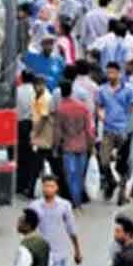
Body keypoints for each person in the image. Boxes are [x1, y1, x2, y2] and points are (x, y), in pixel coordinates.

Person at [97, 62, 133, 201]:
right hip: (108, 129)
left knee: (123, 163)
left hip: (123, 130)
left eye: (113, 72)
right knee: (103, 160)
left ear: (119, 73)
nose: (110, 75)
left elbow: (132, 107)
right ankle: (111, 181)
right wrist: (101, 115)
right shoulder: (102, 90)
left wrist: (130, 125)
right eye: (108, 73)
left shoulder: (128, 89)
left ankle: (123, 189)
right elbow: (100, 106)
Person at [54, 81, 96, 209]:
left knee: (70, 175)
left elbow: (58, 131)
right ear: (71, 91)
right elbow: (89, 130)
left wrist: (55, 147)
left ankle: (75, 201)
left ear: (61, 92)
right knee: (79, 174)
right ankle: (77, 201)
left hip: (68, 146)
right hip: (82, 145)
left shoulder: (61, 109)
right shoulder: (82, 108)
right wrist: (92, 145)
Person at [30, 75, 55, 197]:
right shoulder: (37, 97)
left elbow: (43, 118)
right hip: (40, 133)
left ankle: (32, 190)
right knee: (41, 162)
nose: (38, 87)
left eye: (40, 84)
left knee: (38, 163)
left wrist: (35, 134)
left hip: (44, 134)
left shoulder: (46, 98)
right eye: (36, 84)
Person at [16, 70, 38, 198]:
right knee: (31, 156)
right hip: (32, 124)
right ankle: (28, 185)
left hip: (19, 125)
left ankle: (19, 185)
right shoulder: (36, 92)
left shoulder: (17, 91)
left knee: (20, 155)